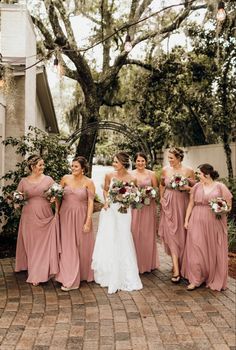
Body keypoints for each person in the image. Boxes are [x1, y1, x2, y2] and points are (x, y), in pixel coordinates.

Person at [92, 152, 143, 294]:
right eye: (113, 161)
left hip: (124, 211)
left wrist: (128, 199)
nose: (113, 164)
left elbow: (136, 196)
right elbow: (106, 190)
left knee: (123, 236)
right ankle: (108, 274)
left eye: (116, 162)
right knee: (109, 237)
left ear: (123, 163)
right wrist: (106, 202)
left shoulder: (132, 178)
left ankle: (125, 274)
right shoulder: (109, 175)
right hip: (110, 210)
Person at [181, 164, 232, 291]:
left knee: (211, 248)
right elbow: (191, 204)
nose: (197, 176)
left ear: (206, 174)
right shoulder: (197, 186)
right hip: (196, 220)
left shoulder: (220, 187)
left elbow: (229, 206)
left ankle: (211, 276)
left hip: (214, 222)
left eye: (199, 173)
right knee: (196, 248)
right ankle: (196, 279)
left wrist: (221, 209)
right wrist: (186, 220)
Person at [15, 155, 60, 286]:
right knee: (32, 245)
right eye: (40, 165)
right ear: (32, 167)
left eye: (43, 165)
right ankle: (35, 271)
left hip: (45, 215)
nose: (43, 167)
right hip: (28, 217)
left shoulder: (48, 179)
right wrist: (17, 201)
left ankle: (40, 273)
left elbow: (57, 194)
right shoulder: (23, 181)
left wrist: (54, 200)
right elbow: (18, 195)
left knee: (43, 245)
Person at [56, 156, 95, 291]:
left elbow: (90, 202)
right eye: (72, 166)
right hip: (65, 216)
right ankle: (70, 279)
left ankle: (83, 274)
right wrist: (57, 211)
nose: (73, 168)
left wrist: (88, 221)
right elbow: (58, 196)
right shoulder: (65, 179)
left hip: (81, 216)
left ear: (83, 169)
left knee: (82, 246)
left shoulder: (89, 182)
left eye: (76, 166)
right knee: (68, 246)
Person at [158, 147, 195, 283]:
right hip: (169, 204)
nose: (169, 160)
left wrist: (185, 188)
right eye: (169, 158)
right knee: (172, 235)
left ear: (179, 158)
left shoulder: (189, 171)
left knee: (182, 235)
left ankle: (183, 265)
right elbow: (162, 185)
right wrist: (161, 197)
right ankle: (176, 270)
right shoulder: (165, 170)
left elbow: (194, 189)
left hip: (183, 204)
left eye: (171, 158)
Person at [131, 152, 159, 273]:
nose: (140, 163)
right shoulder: (131, 174)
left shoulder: (151, 174)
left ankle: (148, 263)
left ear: (146, 162)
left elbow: (156, 189)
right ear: (134, 162)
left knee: (147, 233)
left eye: (142, 161)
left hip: (148, 206)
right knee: (135, 232)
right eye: (138, 161)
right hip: (135, 207)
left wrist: (150, 193)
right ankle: (135, 262)